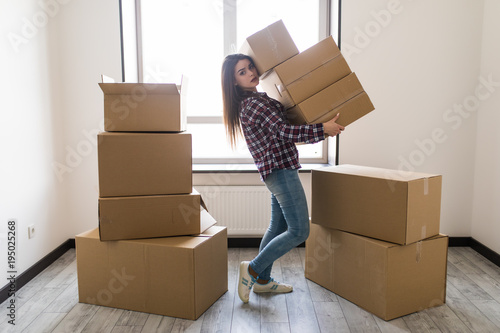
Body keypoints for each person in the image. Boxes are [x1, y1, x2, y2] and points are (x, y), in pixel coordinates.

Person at [221, 53, 345, 303]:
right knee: (300, 230)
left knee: (277, 226)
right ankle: (253, 270)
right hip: (280, 171)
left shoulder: (254, 99)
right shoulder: (255, 103)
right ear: (233, 82)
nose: (251, 73)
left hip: (277, 171)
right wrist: (323, 129)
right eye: (242, 72)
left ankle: (263, 282)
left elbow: (280, 132)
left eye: (250, 67)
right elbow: (284, 131)